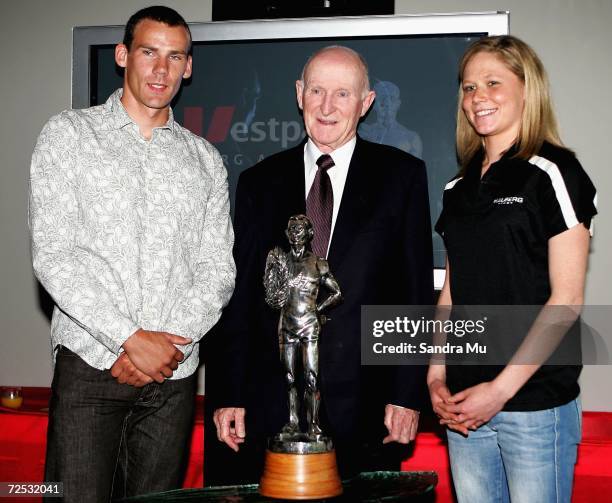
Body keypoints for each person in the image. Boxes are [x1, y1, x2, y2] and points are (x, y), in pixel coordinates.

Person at [28, 6, 235, 501]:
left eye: (175, 56)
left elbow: (217, 270)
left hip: (174, 372)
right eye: (148, 52)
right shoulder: (69, 136)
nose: (160, 70)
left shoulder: (204, 160)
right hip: (89, 365)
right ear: (123, 56)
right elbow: (55, 253)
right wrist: (128, 338)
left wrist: (164, 347)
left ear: (188, 67)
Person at [205, 45, 433, 483]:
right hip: (271, 403)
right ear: (298, 94)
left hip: (369, 406)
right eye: (316, 91)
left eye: (343, 94)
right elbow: (239, 298)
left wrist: (406, 395)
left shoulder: (402, 177)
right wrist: (228, 392)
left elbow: (413, 293)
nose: (327, 107)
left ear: (366, 103)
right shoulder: (259, 183)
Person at [428, 35, 597, 502]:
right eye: (468, 87)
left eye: (492, 83)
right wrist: (436, 373)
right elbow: (452, 291)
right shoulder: (456, 187)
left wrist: (498, 391)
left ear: (528, 89)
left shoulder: (554, 171)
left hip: (534, 404)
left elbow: (566, 300)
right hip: (463, 407)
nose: (477, 97)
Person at [264, 215, 342, 439]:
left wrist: (318, 309)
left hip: (309, 325)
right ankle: (292, 422)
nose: (296, 233)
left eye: (300, 229)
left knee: (311, 377)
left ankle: (314, 423)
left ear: (309, 234)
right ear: (287, 234)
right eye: (292, 229)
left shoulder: (318, 263)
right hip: (286, 325)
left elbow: (337, 293)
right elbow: (272, 294)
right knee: (288, 377)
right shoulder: (280, 263)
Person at [359, 80, 423, 158]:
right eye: (382, 98)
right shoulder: (362, 135)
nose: (387, 104)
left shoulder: (410, 138)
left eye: (391, 99)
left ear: (398, 104)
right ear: (373, 104)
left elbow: (414, 169)